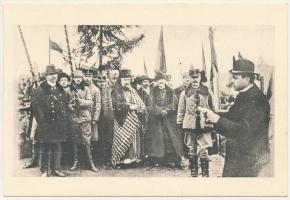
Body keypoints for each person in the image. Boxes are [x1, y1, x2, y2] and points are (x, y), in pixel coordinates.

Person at [198, 54, 270, 177]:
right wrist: (210, 114)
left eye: (235, 78)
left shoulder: (257, 100)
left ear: (247, 78)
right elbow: (232, 116)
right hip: (241, 157)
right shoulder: (245, 95)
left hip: (251, 162)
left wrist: (217, 119)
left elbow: (243, 130)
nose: (231, 81)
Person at [31, 64, 69, 177]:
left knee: (57, 146)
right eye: (50, 75)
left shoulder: (60, 88)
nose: (53, 77)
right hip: (46, 124)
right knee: (45, 146)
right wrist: (42, 120)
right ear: (46, 76)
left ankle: (56, 169)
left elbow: (64, 104)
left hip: (58, 124)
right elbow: (35, 106)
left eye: (55, 74)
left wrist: (63, 118)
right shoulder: (40, 89)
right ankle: (44, 170)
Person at [177, 67, 214, 177]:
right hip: (190, 123)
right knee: (192, 149)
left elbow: (213, 107)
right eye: (192, 77)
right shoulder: (185, 93)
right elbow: (181, 109)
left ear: (200, 78)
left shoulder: (207, 91)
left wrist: (213, 120)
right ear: (189, 78)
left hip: (204, 124)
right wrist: (179, 122)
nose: (194, 80)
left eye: (197, 77)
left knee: (204, 150)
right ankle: (193, 172)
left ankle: (205, 173)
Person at [147, 71, 186, 168]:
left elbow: (174, 103)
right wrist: (159, 111)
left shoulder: (170, 91)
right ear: (156, 82)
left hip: (169, 119)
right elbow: (150, 104)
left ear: (165, 81)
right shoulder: (153, 91)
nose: (161, 83)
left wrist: (167, 110)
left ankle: (174, 159)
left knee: (171, 138)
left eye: (162, 81)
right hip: (157, 120)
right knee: (159, 139)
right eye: (158, 82)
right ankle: (159, 159)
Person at [111, 69, 147, 168]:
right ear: (120, 80)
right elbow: (116, 105)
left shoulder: (133, 90)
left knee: (134, 139)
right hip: (122, 119)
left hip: (134, 119)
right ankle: (121, 161)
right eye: (124, 79)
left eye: (128, 79)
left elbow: (140, 103)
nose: (126, 81)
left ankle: (134, 160)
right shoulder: (116, 90)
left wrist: (139, 107)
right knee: (122, 139)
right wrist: (130, 107)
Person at [68, 70, 98, 172]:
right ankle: (75, 162)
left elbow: (90, 102)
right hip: (74, 119)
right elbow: (65, 103)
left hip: (85, 118)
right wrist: (70, 106)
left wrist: (80, 102)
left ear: (82, 79)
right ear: (73, 78)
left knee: (87, 141)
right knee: (75, 141)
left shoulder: (86, 89)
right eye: (76, 77)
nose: (78, 79)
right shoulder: (68, 90)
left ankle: (90, 163)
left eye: (80, 77)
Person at [82, 68, 101, 165]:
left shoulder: (96, 89)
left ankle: (93, 161)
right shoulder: (80, 88)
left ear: (92, 77)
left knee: (93, 139)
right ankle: (83, 160)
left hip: (92, 117)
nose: (87, 78)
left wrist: (95, 118)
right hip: (82, 118)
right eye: (85, 76)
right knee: (83, 139)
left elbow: (98, 104)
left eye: (89, 76)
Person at [95, 70, 114, 167]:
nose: (102, 84)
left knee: (109, 139)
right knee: (100, 139)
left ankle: (109, 159)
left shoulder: (111, 89)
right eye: (100, 82)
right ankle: (101, 161)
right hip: (100, 119)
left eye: (103, 81)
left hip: (110, 118)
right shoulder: (96, 90)